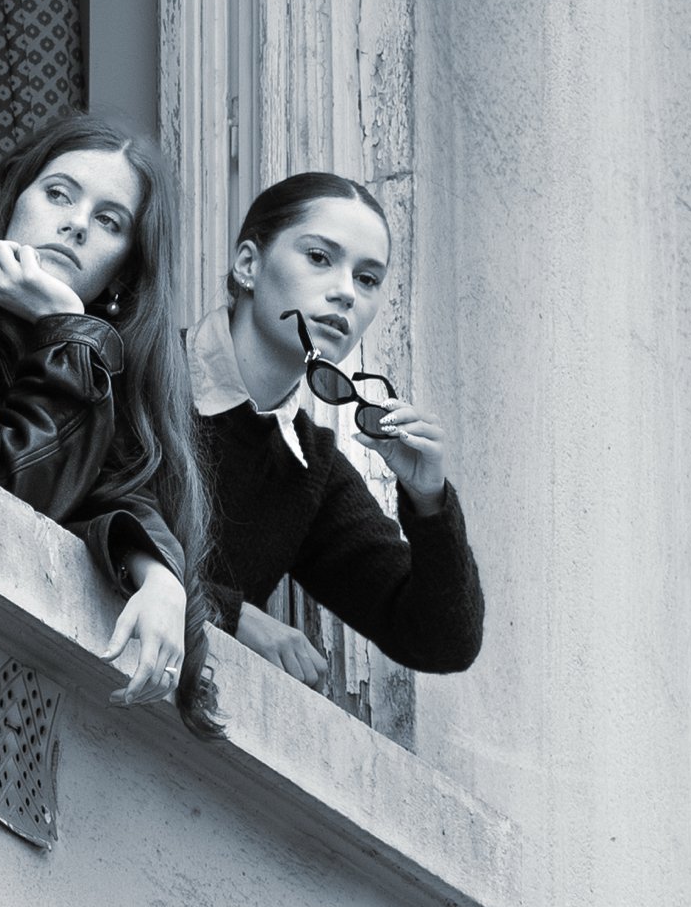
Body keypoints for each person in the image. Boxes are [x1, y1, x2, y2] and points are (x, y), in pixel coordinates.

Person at [0, 113, 205, 712]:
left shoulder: (102, 389)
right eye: (58, 194)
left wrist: (163, 580)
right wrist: (69, 333)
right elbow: (8, 497)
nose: (75, 225)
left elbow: (116, 495)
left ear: (125, 271)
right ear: (10, 201)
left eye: (108, 221)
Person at [189, 172, 484, 682]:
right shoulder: (136, 369)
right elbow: (78, 518)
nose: (346, 292)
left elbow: (441, 640)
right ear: (248, 265)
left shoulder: (309, 467)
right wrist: (231, 615)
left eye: (367, 279)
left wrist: (429, 499)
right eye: (320, 258)